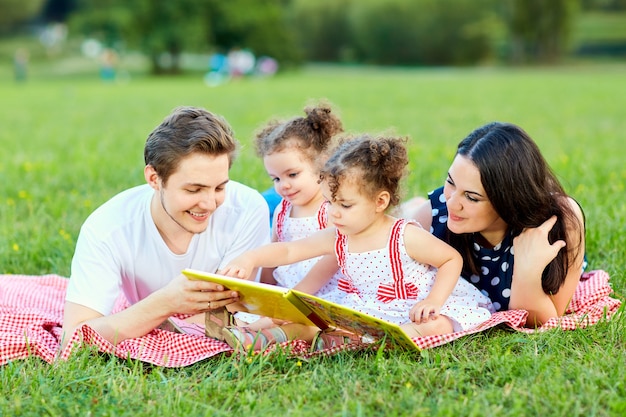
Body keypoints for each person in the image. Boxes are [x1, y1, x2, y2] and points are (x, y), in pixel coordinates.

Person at [218, 134, 493, 351]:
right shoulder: (339, 236)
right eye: (330, 202)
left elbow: (450, 259)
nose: (333, 212)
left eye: (345, 205)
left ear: (380, 202)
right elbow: (290, 249)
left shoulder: (403, 235)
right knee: (317, 319)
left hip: (414, 305)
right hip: (365, 306)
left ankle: (371, 340)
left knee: (435, 326)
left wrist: (434, 300)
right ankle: (271, 337)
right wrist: (250, 258)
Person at [62, 106, 270, 347]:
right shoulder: (107, 228)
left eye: (220, 188)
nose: (210, 203)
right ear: (154, 178)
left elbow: (234, 307)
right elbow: (74, 338)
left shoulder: (247, 209)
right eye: (194, 189)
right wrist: (166, 302)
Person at [401, 121, 586, 326]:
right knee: (406, 214)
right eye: (451, 182)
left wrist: (527, 270)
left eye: (471, 197)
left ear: (508, 200)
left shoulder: (561, 221)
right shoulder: (436, 214)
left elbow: (542, 321)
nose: (452, 204)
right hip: (416, 215)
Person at [206, 102, 346, 337]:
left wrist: (298, 297)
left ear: (323, 165)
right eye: (276, 179)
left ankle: (260, 336)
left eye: (292, 175)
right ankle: (233, 327)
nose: (284, 185)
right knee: (237, 304)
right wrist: (265, 292)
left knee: (308, 325)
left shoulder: (330, 209)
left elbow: (334, 258)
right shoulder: (283, 209)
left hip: (321, 293)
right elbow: (274, 252)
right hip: (287, 291)